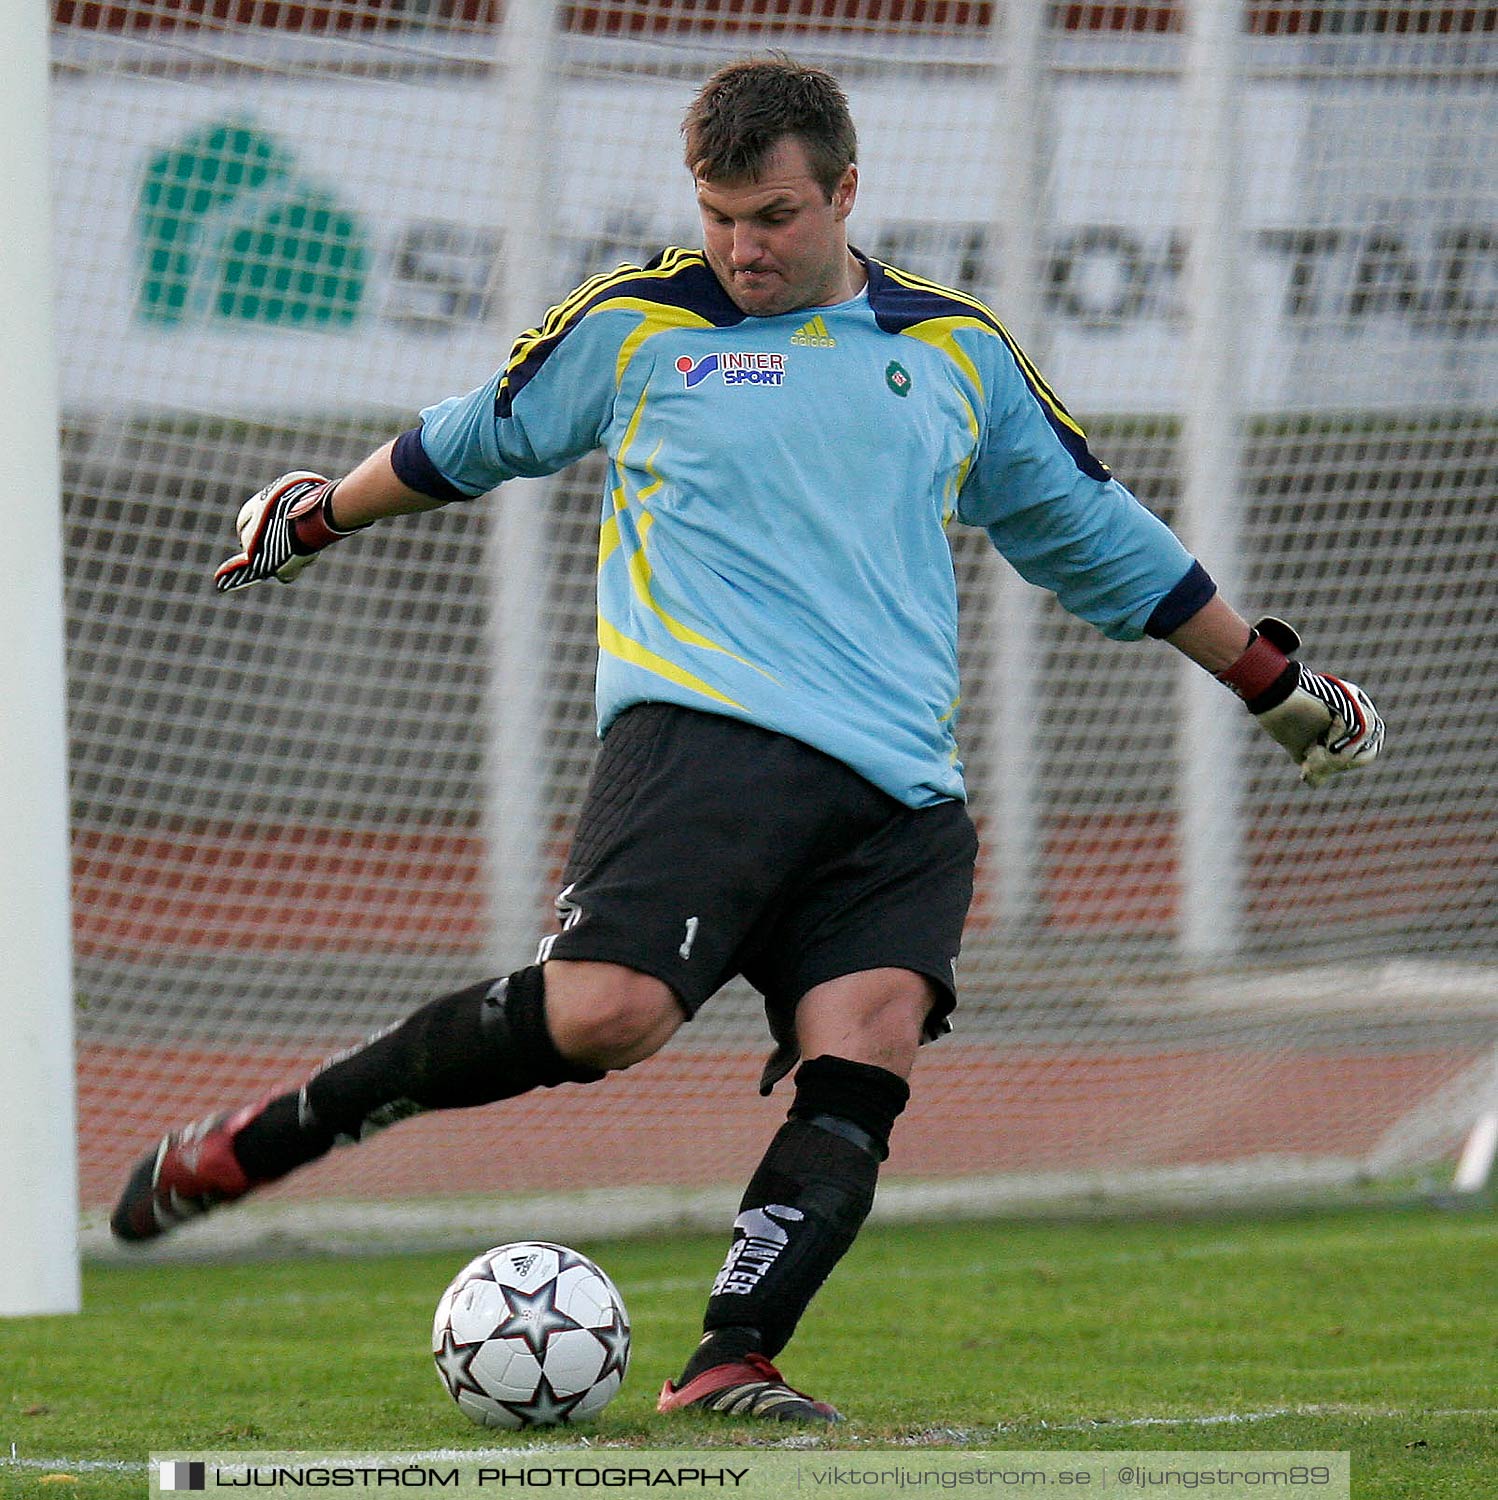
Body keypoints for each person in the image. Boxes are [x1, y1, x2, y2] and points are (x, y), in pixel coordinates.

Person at [110, 56, 1384, 1423]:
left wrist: (1271, 683)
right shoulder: (639, 323)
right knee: (609, 1017)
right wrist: (319, 516)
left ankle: (730, 1353)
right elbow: (474, 436)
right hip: (706, 744)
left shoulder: (951, 350)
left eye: (771, 215)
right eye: (719, 214)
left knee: (870, 1039)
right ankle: (273, 1136)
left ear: (843, 192)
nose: (741, 246)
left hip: (897, 789)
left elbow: (1095, 535)